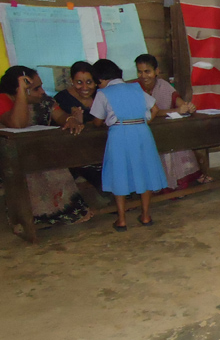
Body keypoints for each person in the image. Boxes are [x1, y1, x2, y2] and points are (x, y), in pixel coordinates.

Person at [0, 65, 92, 227]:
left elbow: (60, 115)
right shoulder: (3, 100)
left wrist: (70, 120)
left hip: (34, 152)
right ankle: (30, 219)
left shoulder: (43, 101)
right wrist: (22, 91)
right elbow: (17, 124)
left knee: (52, 163)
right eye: (36, 88)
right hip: (8, 157)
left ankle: (62, 212)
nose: (42, 91)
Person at [90, 59, 168, 231]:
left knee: (119, 172)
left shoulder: (103, 93)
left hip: (119, 133)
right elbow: (154, 109)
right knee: (145, 170)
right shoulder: (136, 88)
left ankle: (122, 220)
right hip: (142, 132)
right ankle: (146, 215)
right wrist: (142, 122)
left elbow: (97, 121)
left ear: (101, 79)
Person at [134, 54, 211, 191]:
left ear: (157, 71)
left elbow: (179, 102)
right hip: (143, 130)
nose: (143, 76)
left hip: (164, 130)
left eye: (147, 71)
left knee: (175, 141)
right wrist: (175, 110)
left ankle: (177, 181)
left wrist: (187, 107)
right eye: (140, 72)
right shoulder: (134, 88)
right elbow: (150, 112)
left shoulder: (163, 85)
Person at [55, 61, 104, 192]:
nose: (84, 87)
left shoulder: (101, 95)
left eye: (89, 82)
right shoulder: (62, 99)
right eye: (79, 82)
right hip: (73, 152)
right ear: (71, 81)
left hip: (101, 147)